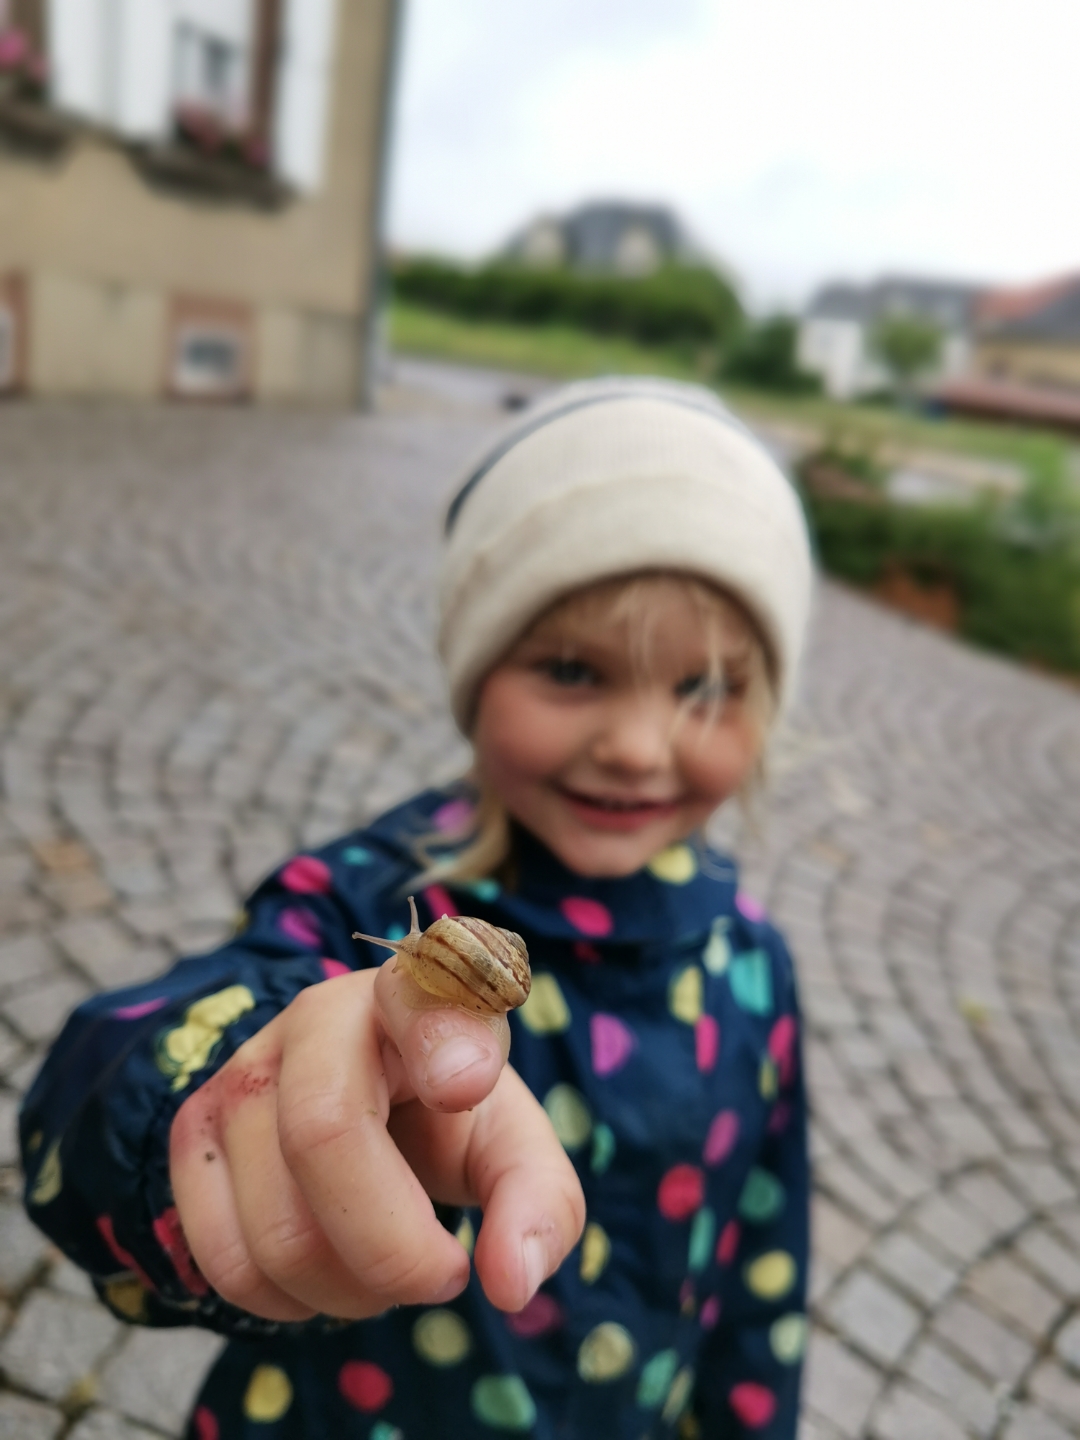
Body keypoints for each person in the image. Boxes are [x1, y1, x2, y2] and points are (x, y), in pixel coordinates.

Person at [20, 377, 814, 1439]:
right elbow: (126, 1065)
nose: (637, 745)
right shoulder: (359, 894)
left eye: (704, 690)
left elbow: (762, 1267)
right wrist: (217, 1098)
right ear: (476, 672)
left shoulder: (753, 967)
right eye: (572, 671)